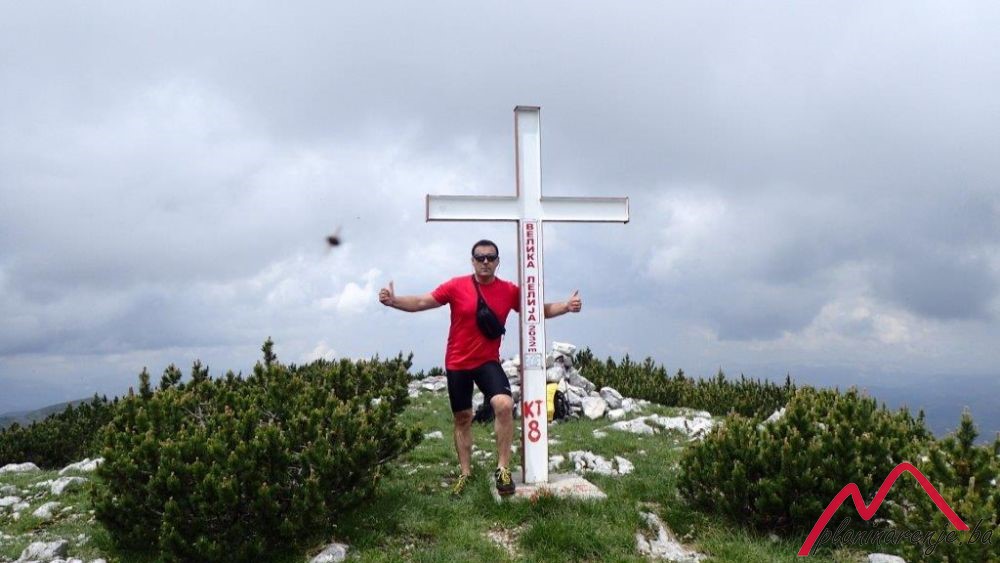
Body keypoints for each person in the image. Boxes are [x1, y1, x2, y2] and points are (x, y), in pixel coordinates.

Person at [378, 239, 582, 497]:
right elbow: (421, 302)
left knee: (504, 405)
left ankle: (503, 469)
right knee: (463, 418)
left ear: (498, 262)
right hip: (457, 362)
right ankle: (465, 473)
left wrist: (566, 306)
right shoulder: (455, 286)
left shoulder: (508, 290)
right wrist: (393, 301)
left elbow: (536, 310)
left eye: (490, 257)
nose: (485, 262)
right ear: (472, 261)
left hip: (487, 361)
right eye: (480, 257)